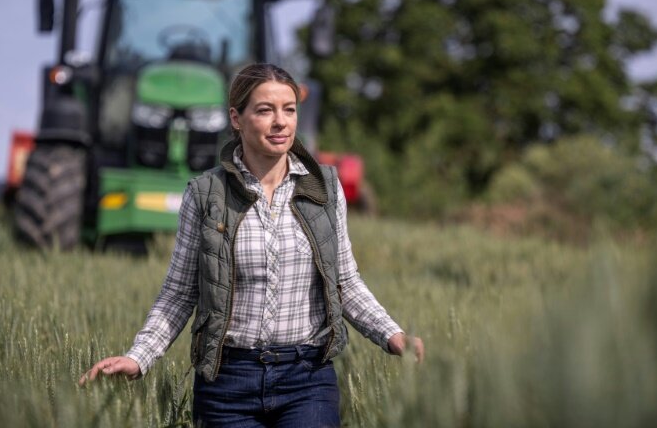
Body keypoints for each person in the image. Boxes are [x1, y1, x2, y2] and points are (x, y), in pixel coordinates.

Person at [80, 63, 424, 427]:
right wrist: (139, 357)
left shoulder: (324, 187)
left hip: (307, 378)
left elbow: (345, 282)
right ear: (236, 118)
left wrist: (392, 335)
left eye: (289, 109)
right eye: (265, 110)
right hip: (227, 382)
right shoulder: (205, 194)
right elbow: (180, 294)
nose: (280, 122)